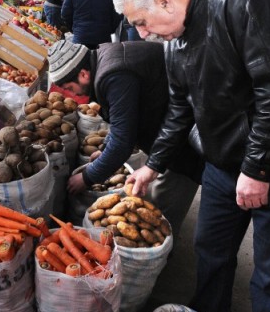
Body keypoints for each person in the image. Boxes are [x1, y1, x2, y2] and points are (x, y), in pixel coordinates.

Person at [113, 0, 270, 312]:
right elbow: (180, 109)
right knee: (210, 250)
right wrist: (153, 166)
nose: (143, 34)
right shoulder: (174, 41)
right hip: (223, 163)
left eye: (140, 22)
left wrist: (258, 169)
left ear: (163, 1)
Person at [47, 40, 202, 239]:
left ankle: (160, 255)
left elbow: (122, 142)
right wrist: (104, 147)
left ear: (83, 74)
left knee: (161, 214)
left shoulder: (114, 75)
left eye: (70, 87)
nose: (73, 94)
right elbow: (125, 118)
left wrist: (87, 178)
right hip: (168, 134)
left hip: (183, 142)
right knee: (156, 196)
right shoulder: (105, 58)